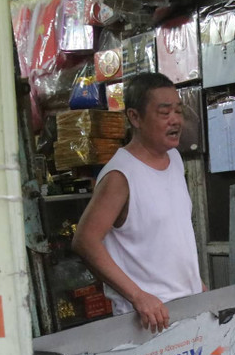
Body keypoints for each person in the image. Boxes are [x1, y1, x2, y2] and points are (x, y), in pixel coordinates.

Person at [72, 73, 203, 333]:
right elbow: (85, 241)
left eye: (178, 111)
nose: (175, 119)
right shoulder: (120, 176)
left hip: (186, 307)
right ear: (135, 117)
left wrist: (195, 284)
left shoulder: (174, 159)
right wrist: (138, 296)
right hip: (147, 322)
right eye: (164, 112)